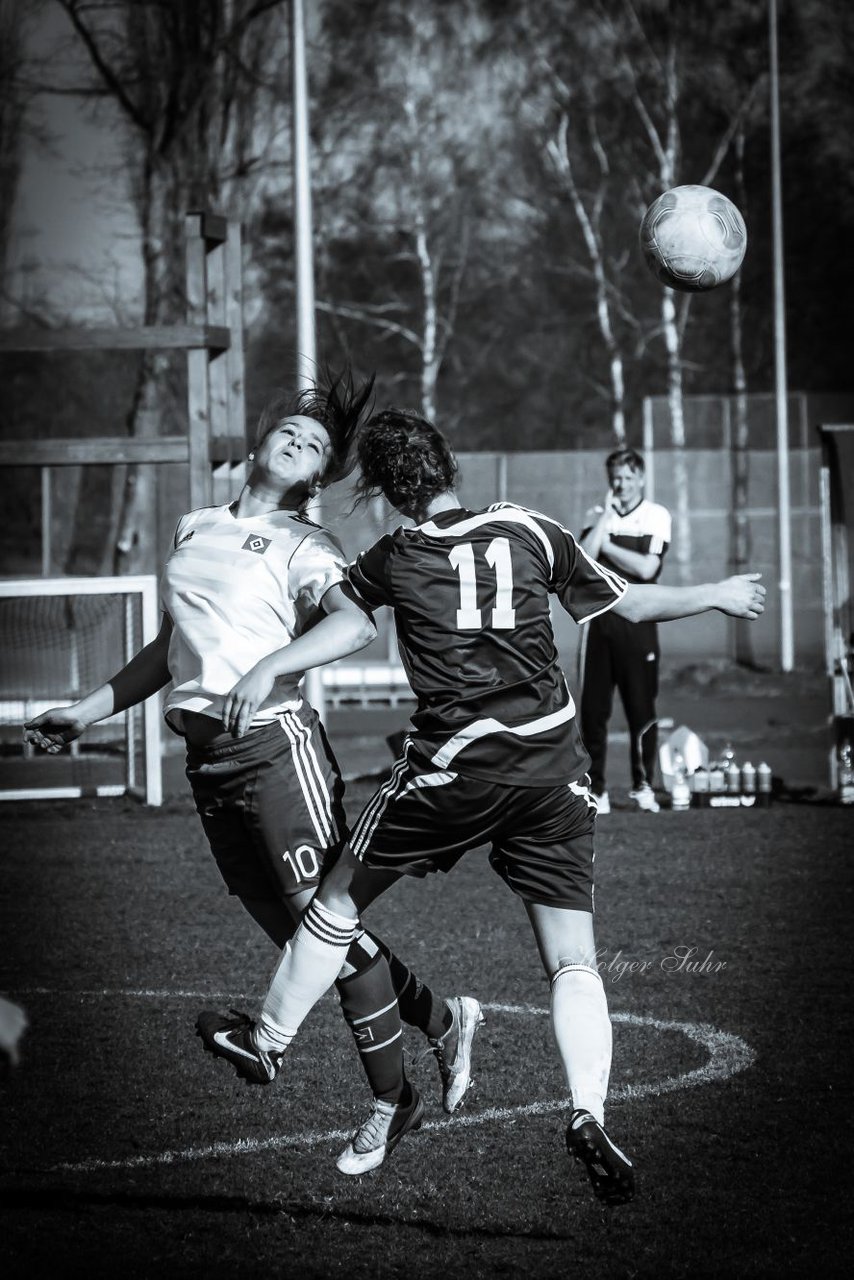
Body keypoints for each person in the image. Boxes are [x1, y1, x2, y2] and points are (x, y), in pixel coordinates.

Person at [196, 408, 765, 1206]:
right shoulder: (532, 527)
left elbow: (350, 626)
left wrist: (271, 664)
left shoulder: (395, 554)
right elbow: (628, 605)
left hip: (452, 770)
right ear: (452, 467)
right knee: (573, 960)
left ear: (390, 492)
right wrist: (720, 593)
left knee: (334, 901)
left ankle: (268, 1039)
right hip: (553, 771)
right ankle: (588, 1112)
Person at [23, 372, 483, 1176]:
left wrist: (270, 668)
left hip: (278, 752)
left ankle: (390, 1099)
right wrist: (89, 710)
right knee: (317, 946)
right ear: (263, 436)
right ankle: (445, 1021)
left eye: (317, 449)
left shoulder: (309, 547)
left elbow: (352, 627)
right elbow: (172, 652)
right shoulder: (195, 525)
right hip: (210, 768)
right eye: (293, 433)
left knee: (323, 923)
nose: (302, 445)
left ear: (316, 478)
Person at [578, 448, 672, 815]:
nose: (621, 484)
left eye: (628, 477)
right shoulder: (596, 514)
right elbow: (585, 558)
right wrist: (603, 521)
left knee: (641, 707)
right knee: (593, 711)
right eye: (616, 477)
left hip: (640, 624)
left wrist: (609, 546)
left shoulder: (656, 516)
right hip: (598, 624)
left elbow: (648, 569)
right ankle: (595, 789)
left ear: (641, 479)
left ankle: (643, 786)